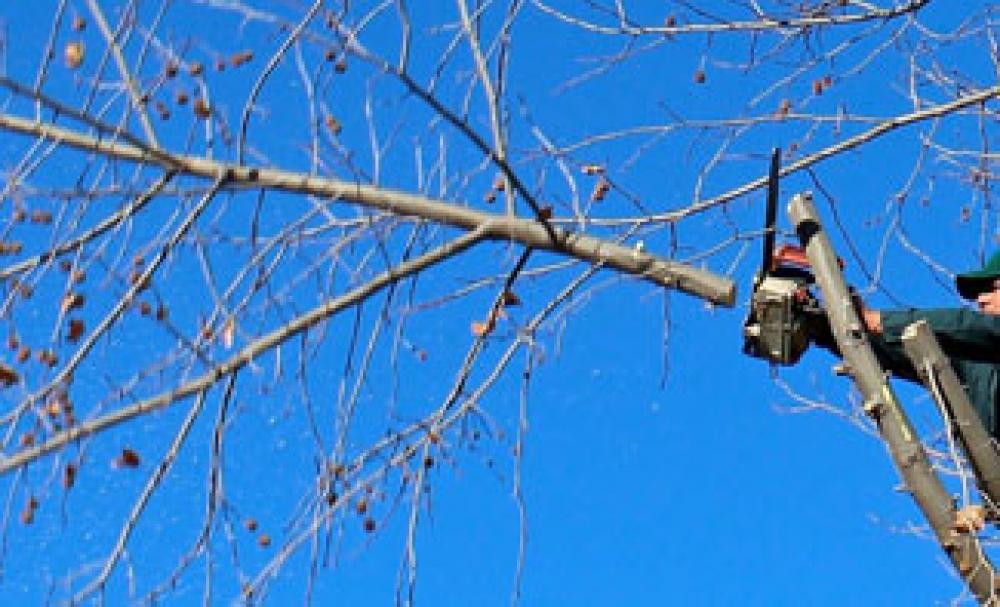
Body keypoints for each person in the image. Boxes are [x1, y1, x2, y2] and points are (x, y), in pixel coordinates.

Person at [811, 251, 1000, 438]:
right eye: (979, 293)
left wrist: (880, 321)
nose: (981, 300)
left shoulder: (983, 333)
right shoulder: (977, 361)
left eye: (994, 288)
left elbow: (968, 325)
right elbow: (896, 352)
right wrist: (822, 323)